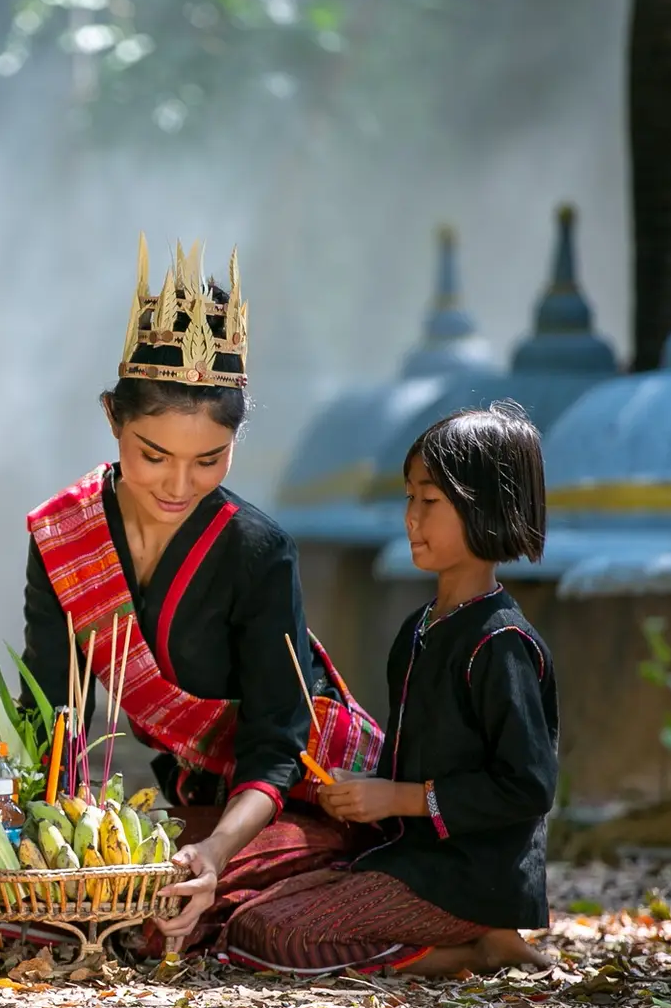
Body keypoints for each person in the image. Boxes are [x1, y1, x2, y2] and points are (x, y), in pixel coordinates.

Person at [21, 237, 385, 957]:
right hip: (197, 798)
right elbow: (54, 706)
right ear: (111, 419)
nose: (179, 485)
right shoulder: (66, 535)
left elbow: (279, 742)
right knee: (83, 909)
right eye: (152, 455)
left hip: (305, 795)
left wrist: (217, 852)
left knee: (174, 915)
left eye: (208, 460)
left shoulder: (257, 548)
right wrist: (37, 833)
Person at [219, 402, 560, 975]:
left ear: (487, 508)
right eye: (409, 498)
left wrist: (400, 798)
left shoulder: (501, 644)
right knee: (244, 917)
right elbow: (410, 766)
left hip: (469, 880)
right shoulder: (419, 629)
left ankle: (474, 949)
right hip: (411, 860)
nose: (411, 518)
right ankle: (478, 945)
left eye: (429, 501)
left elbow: (527, 787)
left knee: (272, 939)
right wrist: (363, 790)